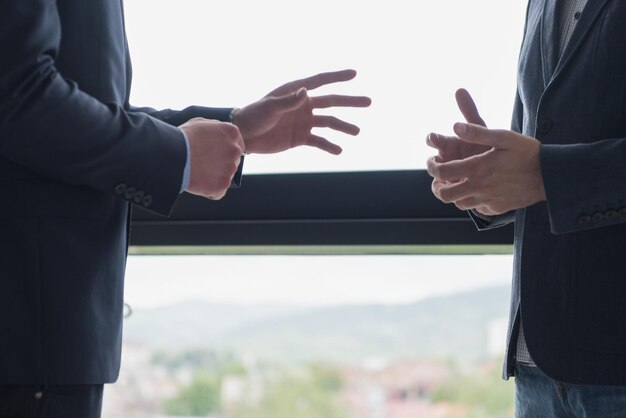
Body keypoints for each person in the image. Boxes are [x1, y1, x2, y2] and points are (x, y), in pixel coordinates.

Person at [0, 0, 371, 416]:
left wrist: (232, 128)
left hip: (48, 337)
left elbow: (75, 102)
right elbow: (18, 95)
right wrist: (179, 155)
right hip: (28, 334)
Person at [426, 0, 626, 416]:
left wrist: (545, 174)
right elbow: (537, 144)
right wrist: (484, 172)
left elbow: (546, 170)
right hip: (537, 364)